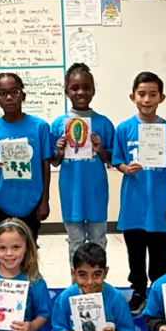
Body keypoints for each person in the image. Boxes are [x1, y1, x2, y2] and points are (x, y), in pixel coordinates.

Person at [112, 72, 166, 314]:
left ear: (161, 97)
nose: (147, 99)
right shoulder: (124, 128)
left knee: (159, 250)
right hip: (133, 203)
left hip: (159, 202)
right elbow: (116, 160)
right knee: (136, 250)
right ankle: (139, 290)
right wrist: (125, 168)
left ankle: (159, 291)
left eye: (153, 94)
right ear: (133, 97)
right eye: (142, 94)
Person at [50, 63, 115, 263]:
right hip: (71, 192)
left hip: (96, 191)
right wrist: (59, 151)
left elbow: (112, 159)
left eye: (86, 87)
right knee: (75, 241)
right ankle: (77, 286)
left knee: (98, 240)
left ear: (93, 90)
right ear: (66, 91)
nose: (81, 92)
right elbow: (54, 161)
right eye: (75, 88)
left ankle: (96, 282)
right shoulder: (58, 123)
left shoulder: (103, 122)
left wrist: (100, 149)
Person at [0, 73, 53, 238]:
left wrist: (44, 200)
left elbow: (45, 164)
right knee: (3, 249)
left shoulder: (40, 127)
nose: (9, 97)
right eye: (2, 93)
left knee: (30, 249)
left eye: (14, 92)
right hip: (1, 201)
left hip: (31, 200)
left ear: (23, 96)